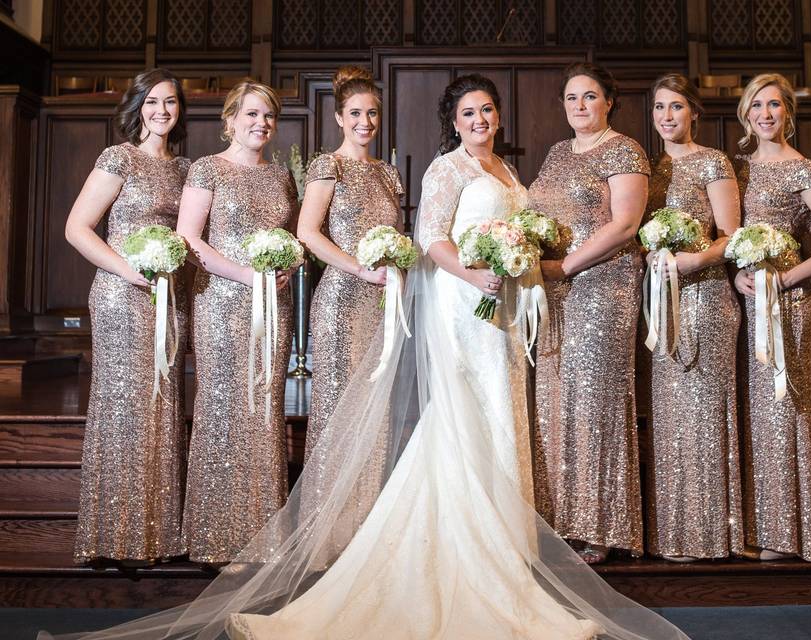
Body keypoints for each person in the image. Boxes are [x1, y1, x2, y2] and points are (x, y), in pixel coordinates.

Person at [42, 77, 687, 640]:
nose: (480, 121)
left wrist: (515, 260)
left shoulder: (500, 174)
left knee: (493, 407)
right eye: (467, 113)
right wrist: (464, 273)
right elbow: (426, 239)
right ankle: (312, 536)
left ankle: (500, 538)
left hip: (489, 308)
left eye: (487, 111)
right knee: (445, 408)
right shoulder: (430, 169)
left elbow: (473, 235)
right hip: (446, 300)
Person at [65, 68, 190, 565]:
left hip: (168, 295)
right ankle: (113, 535)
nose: (163, 111)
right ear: (138, 106)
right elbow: (77, 228)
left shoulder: (184, 170)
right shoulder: (118, 159)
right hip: (122, 295)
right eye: (154, 101)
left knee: (162, 401)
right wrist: (129, 270)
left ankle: (154, 534)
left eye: (171, 103)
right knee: (124, 405)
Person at [527, 62, 649, 564]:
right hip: (554, 289)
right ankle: (559, 519)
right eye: (572, 98)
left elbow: (625, 224)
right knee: (556, 399)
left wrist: (565, 266)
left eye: (590, 96)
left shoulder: (624, 150)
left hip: (603, 287)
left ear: (609, 102)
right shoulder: (557, 153)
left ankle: (601, 525)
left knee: (596, 401)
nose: (580, 106)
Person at [734, 73, 811, 563]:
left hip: (789, 303)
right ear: (746, 114)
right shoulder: (738, 170)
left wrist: (785, 279)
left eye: (774, 106)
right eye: (756, 106)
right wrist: (736, 276)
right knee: (755, 412)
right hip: (745, 302)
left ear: (789, 113)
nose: (765, 114)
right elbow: (727, 237)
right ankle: (760, 525)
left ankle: (788, 535)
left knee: (783, 408)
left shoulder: (804, 169)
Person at [176, 81, 298, 564]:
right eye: (251, 114)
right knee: (224, 404)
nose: (260, 124)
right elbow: (189, 240)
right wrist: (247, 276)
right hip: (221, 303)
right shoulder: (208, 169)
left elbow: (291, 239)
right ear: (230, 120)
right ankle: (212, 534)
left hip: (274, 305)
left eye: (268, 116)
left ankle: (262, 533)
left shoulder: (283, 177)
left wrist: (290, 264)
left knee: (265, 404)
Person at [297, 66, 403, 536]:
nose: (365, 121)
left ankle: (369, 525)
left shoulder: (388, 172)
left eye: (372, 113)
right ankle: (332, 529)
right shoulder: (328, 166)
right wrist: (359, 268)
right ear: (340, 117)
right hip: (341, 301)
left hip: (383, 303)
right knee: (340, 408)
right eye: (355, 113)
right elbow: (307, 232)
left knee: (375, 408)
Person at [642, 73, 743, 562]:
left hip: (705, 299)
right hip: (661, 303)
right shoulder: (647, 168)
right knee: (671, 417)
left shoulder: (713, 162)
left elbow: (731, 236)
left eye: (676, 107)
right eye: (660, 107)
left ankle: (711, 534)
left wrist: (693, 261)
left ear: (694, 113)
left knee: (703, 415)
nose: (667, 116)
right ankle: (675, 532)